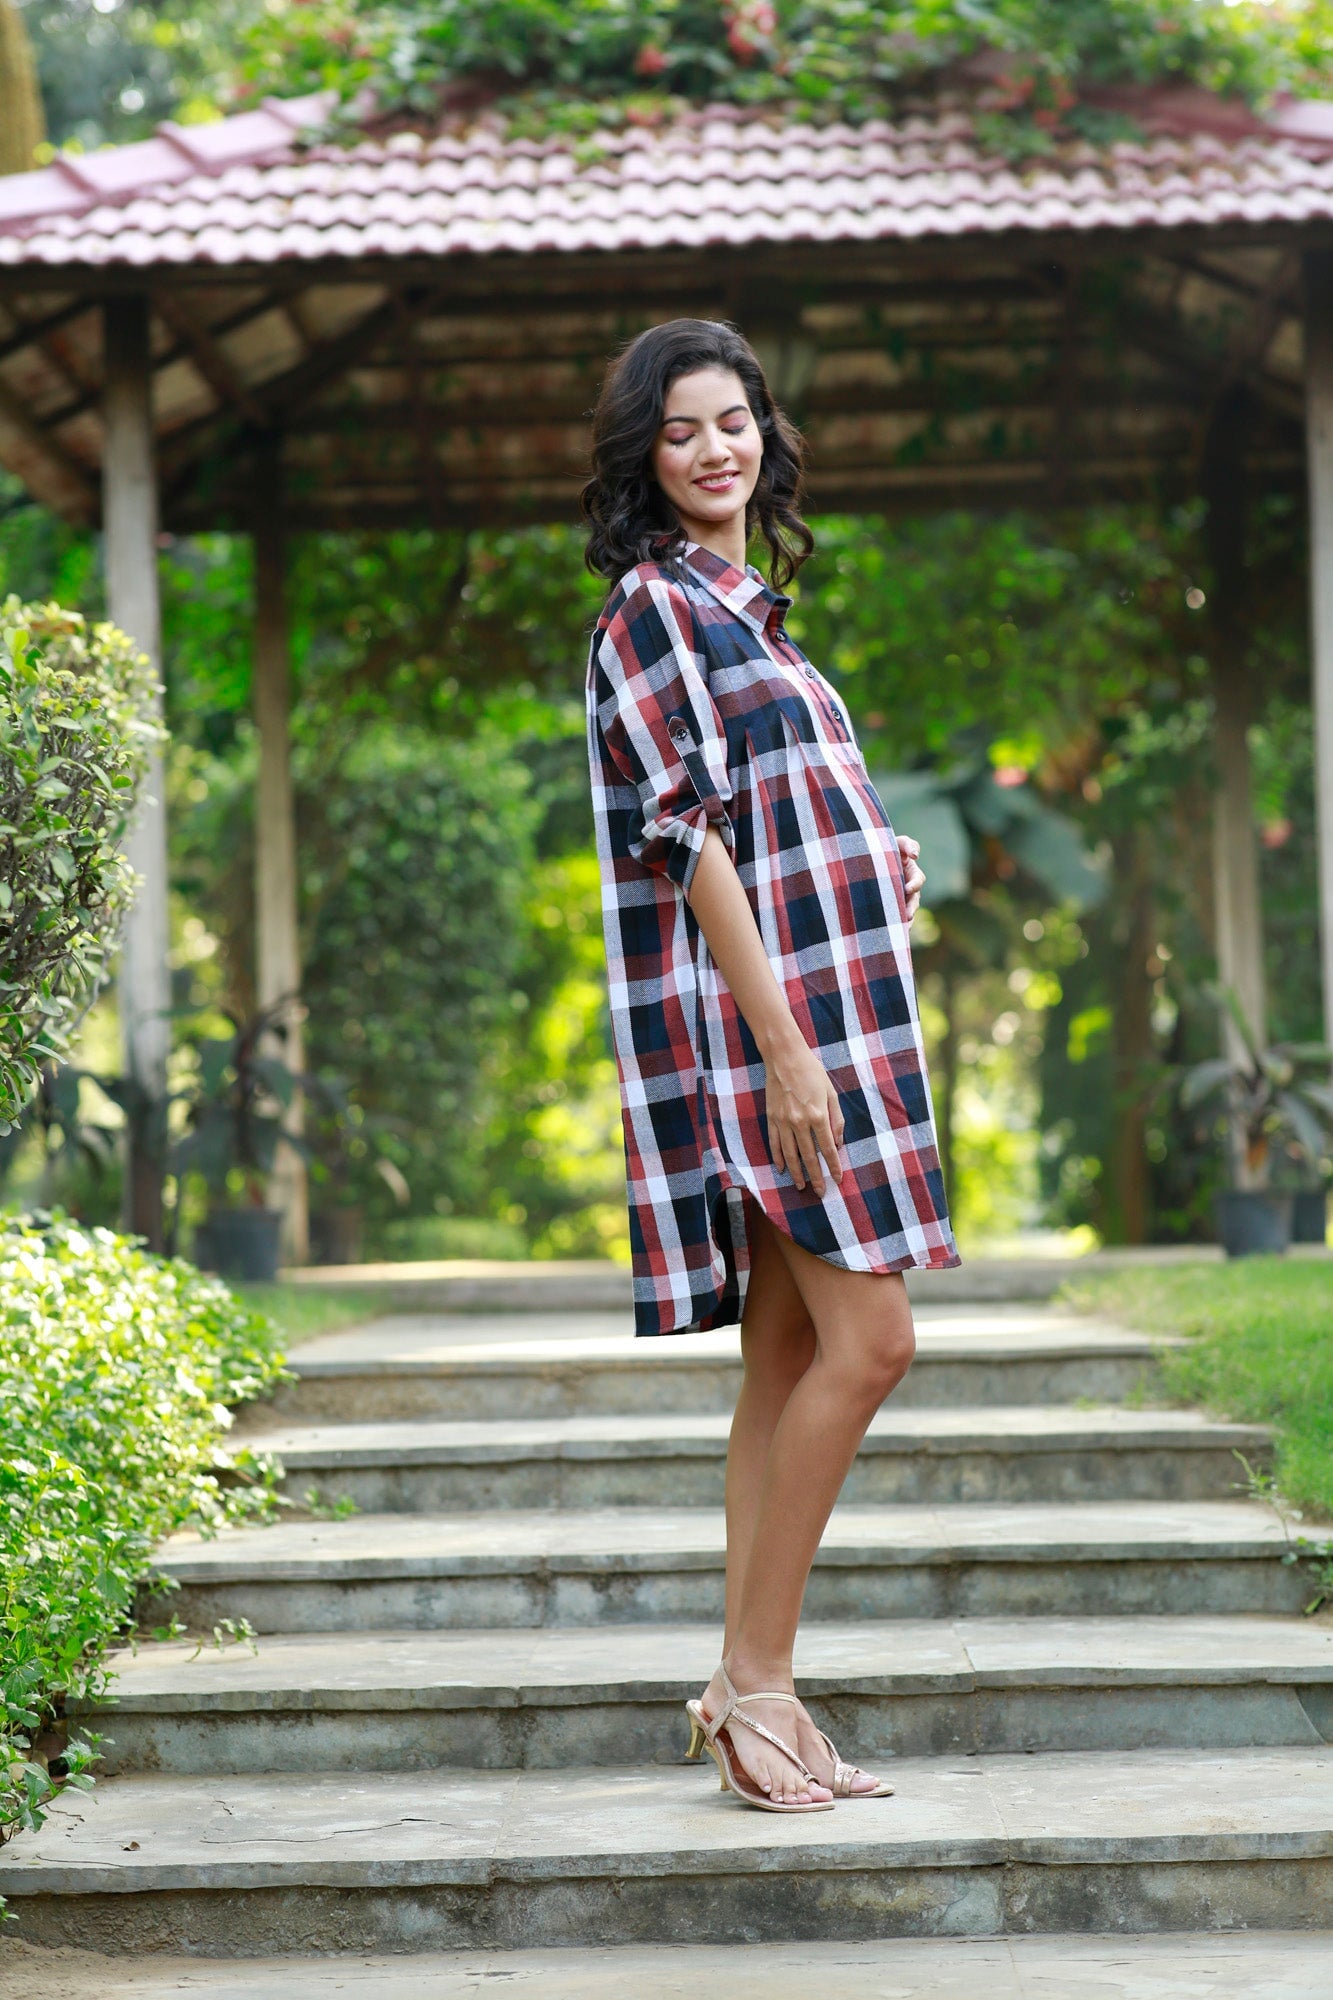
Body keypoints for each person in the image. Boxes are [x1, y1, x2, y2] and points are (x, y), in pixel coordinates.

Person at [582, 319, 960, 1814]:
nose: (713, 449)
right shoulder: (652, 611)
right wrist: (787, 1054)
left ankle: (739, 1688)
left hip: (827, 1006)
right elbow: (684, 841)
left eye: (731, 421)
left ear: (764, 433)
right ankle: (759, 1684)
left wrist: (876, 853)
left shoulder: (755, 616)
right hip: (773, 1039)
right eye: (680, 430)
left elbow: (774, 812)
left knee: (791, 1354)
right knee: (874, 1344)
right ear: (644, 456)